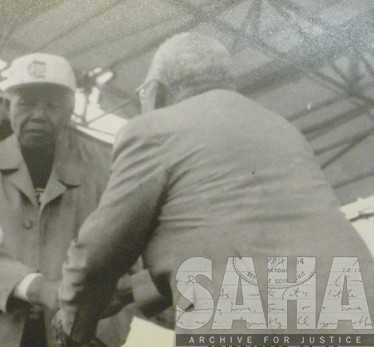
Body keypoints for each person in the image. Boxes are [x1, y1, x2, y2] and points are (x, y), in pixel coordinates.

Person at [55, 32, 374, 345]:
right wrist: (129, 292)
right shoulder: (283, 129)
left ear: (156, 92)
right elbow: (248, 248)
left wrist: (74, 323)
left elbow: (99, 253)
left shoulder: (152, 129)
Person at [0, 53, 136, 347]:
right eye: (26, 103)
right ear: (7, 106)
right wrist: (40, 289)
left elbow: (126, 262)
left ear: (69, 111)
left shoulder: (105, 177)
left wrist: (102, 334)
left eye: (51, 105)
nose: (38, 115)